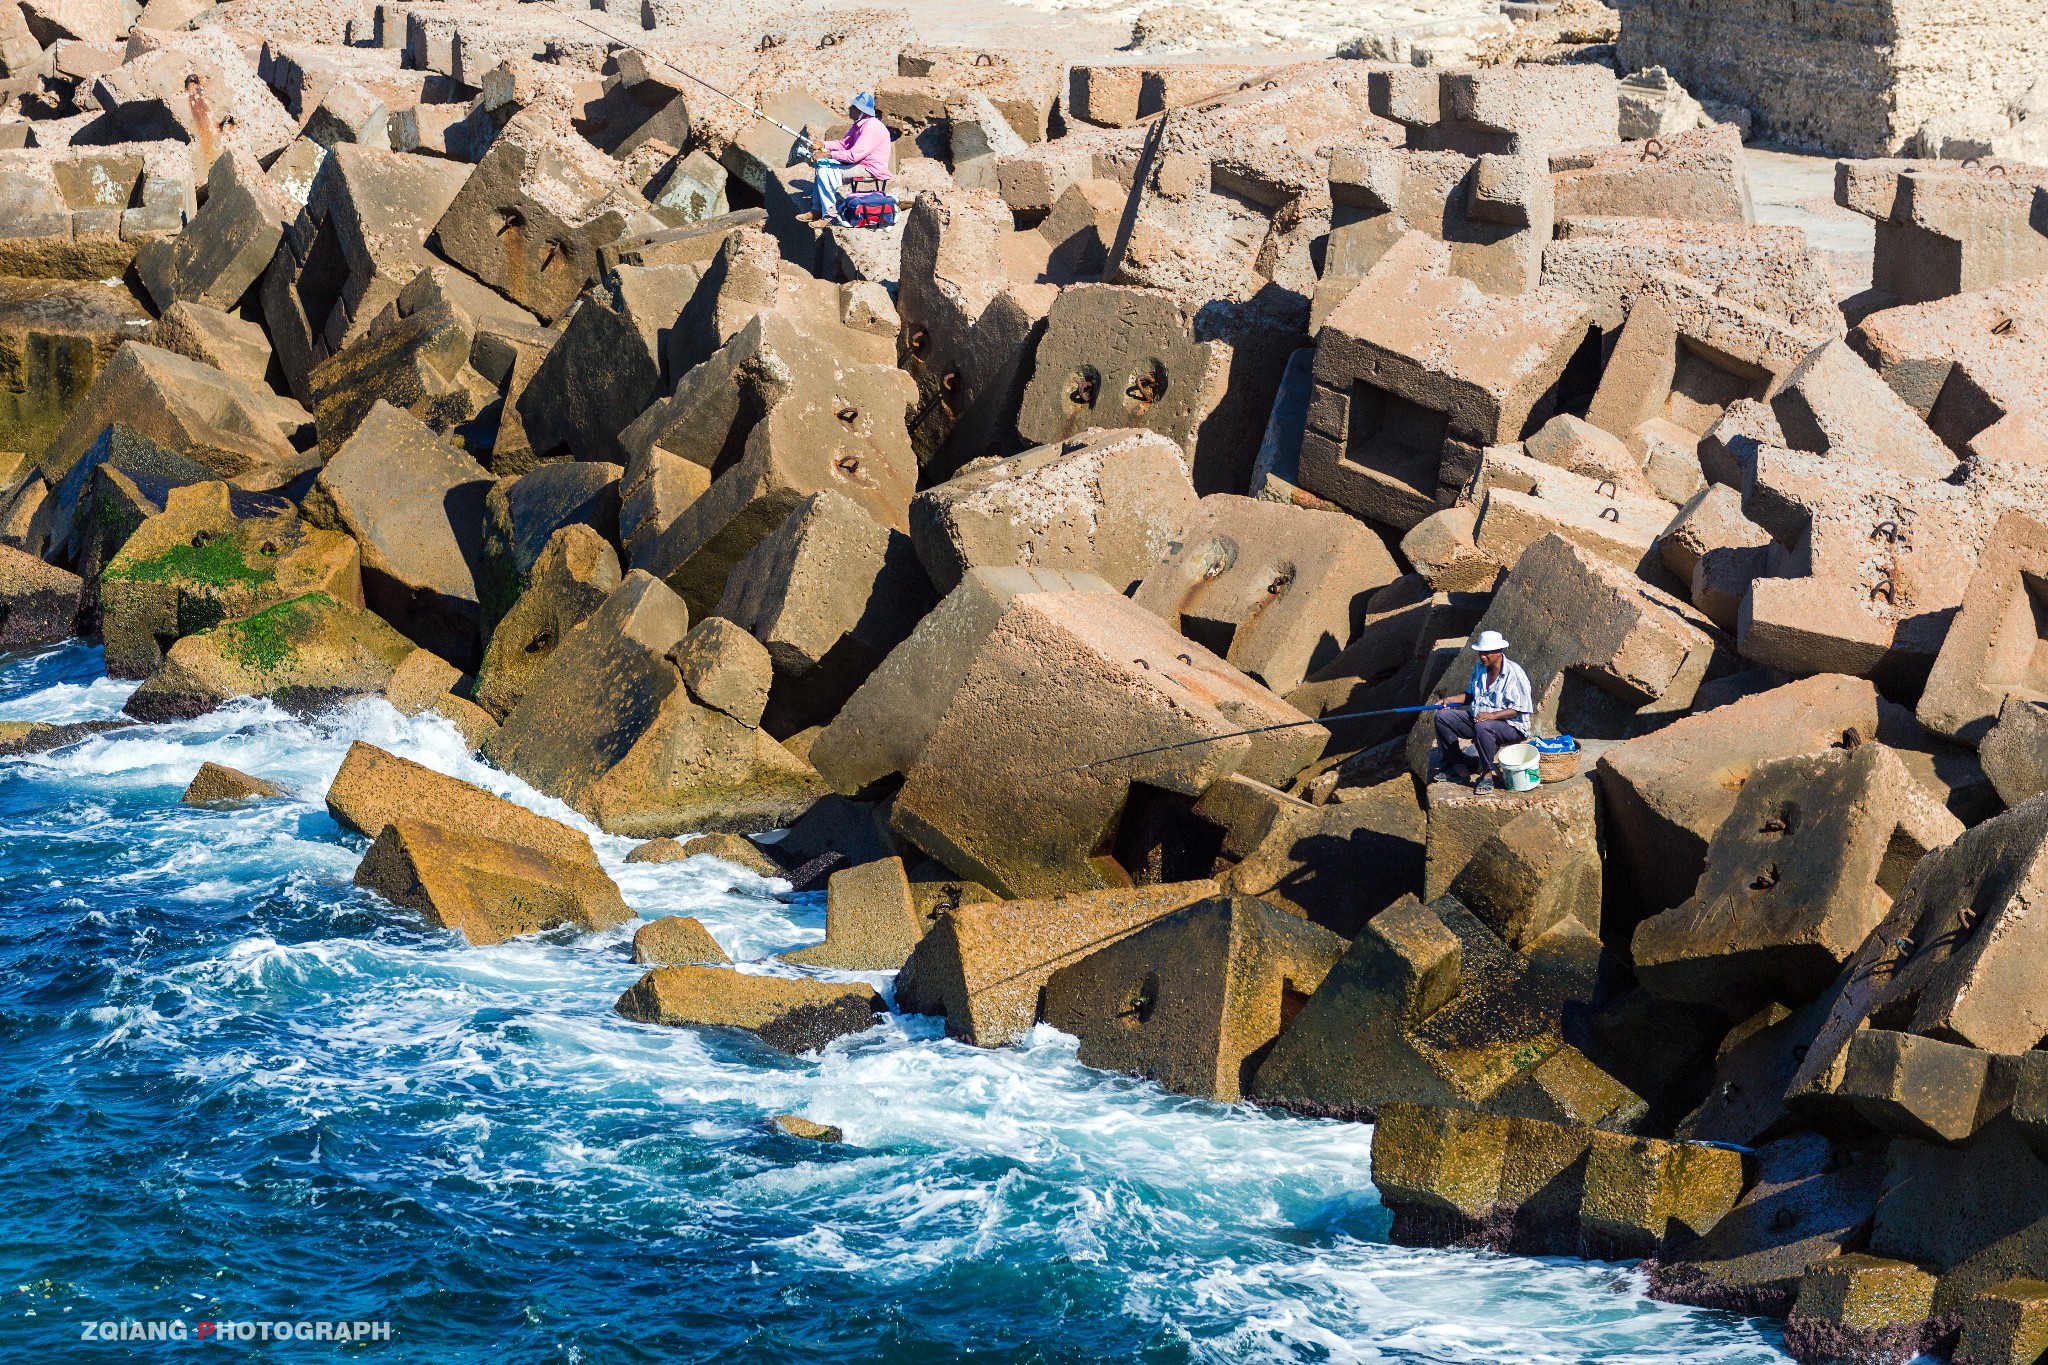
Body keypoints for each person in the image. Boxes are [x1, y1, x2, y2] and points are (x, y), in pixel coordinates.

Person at [1432, 630, 1533, 794]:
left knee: (1483, 727)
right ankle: (1458, 768)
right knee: (1442, 717)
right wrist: (1450, 700)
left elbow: (1519, 709)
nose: (1483, 656)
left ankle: (1487, 774)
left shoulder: (1515, 674)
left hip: (1510, 726)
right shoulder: (1479, 669)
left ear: (1499, 652)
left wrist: (1492, 716)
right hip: (1480, 720)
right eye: (1481, 652)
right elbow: (1470, 695)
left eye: (1487, 653)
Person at [806, 91, 891, 228]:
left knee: (824, 172)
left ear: (863, 111)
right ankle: (817, 209)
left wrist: (827, 154)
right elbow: (843, 144)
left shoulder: (872, 127)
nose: (850, 109)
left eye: (854, 107)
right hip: (859, 163)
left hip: (869, 168)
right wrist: (823, 144)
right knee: (821, 166)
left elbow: (854, 155)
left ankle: (830, 216)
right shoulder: (859, 124)